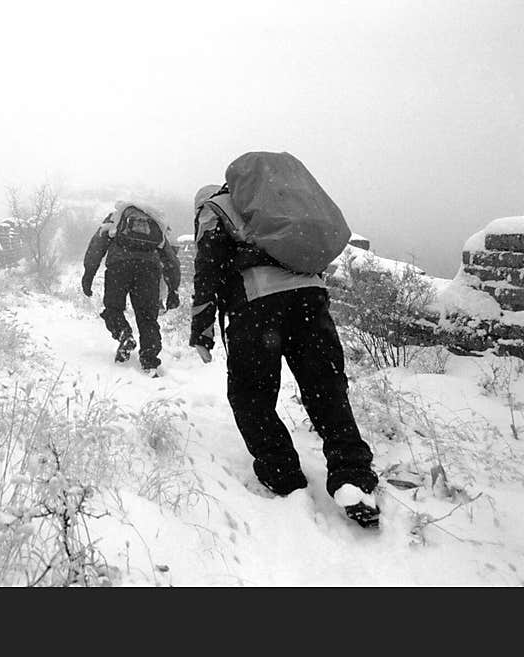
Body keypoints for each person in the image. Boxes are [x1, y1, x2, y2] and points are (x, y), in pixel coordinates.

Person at [189, 183, 381, 527]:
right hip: (310, 297)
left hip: (258, 306)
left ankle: (284, 476)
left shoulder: (213, 209)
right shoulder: (271, 205)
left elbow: (207, 271)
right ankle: (353, 477)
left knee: (252, 395)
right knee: (326, 391)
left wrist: (201, 330)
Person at [82, 202, 181, 376]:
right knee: (148, 317)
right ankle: (149, 360)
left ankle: (124, 334)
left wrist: (89, 274)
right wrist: (173, 289)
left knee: (113, 309)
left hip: (119, 268)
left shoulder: (116, 218)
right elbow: (170, 258)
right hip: (149, 270)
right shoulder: (155, 223)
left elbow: (97, 245)